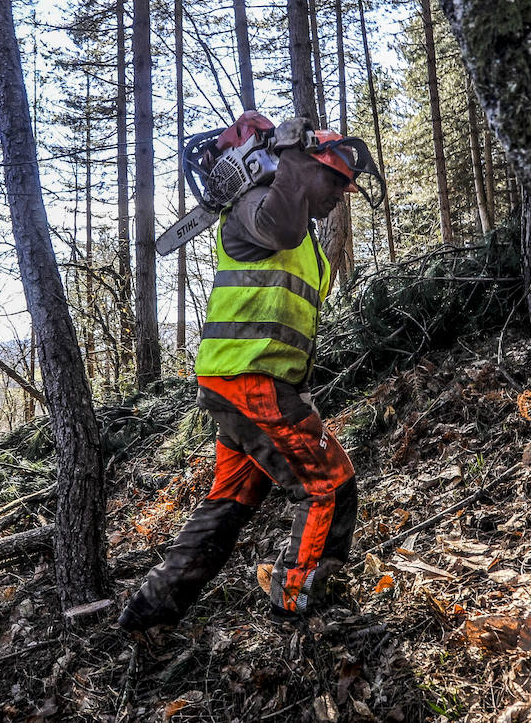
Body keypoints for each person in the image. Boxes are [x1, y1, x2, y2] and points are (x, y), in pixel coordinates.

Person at [118, 116, 383, 630]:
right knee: (328, 484)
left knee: (230, 501)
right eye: (334, 181)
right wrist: (293, 156)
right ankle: (298, 605)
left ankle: (149, 613)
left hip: (243, 383)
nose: (339, 197)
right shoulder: (252, 207)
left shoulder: (297, 228)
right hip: (252, 382)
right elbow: (279, 226)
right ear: (299, 166)